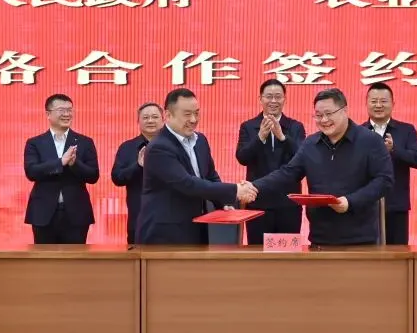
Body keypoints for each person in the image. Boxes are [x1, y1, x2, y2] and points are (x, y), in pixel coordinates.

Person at [253, 88, 393, 246]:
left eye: (329, 113)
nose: (324, 120)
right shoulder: (310, 144)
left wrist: (350, 201)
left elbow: (384, 180)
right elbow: (287, 173)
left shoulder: (370, 141)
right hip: (319, 238)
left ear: (344, 110)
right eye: (318, 115)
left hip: (360, 239)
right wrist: (253, 186)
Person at [136, 88, 256, 245]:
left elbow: (210, 176)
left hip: (196, 228)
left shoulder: (201, 141)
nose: (193, 119)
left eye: (197, 113)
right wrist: (235, 190)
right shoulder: (159, 147)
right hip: (164, 234)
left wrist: (223, 202)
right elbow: (187, 183)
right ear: (168, 115)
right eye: (187, 114)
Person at [235, 79, 307, 244]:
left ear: (284, 99)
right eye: (269, 96)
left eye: (278, 96)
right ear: (260, 99)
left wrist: (282, 137)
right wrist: (260, 137)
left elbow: (303, 158)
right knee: (258, 254)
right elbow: (242, 158)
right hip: (258, 204)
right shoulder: (248, 126)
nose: (273, 101)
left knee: (287, 255)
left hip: (288, 205)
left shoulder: (295, 127)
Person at [23, 93, 100, 244]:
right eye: (61, 110)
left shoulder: (85, 142)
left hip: (76, 213)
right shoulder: (35, 143)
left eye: (70, 110)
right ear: (48, 114)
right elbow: (31, 172)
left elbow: (93, 175)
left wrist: (74, 164)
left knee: (75, 257)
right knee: (44, 257)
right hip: (43, 213)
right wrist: (60, 162)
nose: (67, 114)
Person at [363, 82, 417, 245]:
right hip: (365, 205)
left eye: (383, 101)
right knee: (366, 252)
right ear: (366, 103)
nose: (378, 105)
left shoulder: (406, 130)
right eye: (374, 101)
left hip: (397, 204)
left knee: (397, 253)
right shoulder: (357, 131)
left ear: (393, 103)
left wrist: (394, 149)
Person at [111, 102, 164, 245]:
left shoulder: (175, 146)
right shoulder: (127, 147)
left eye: (155, 117)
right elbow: (117, 178)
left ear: (163, 120)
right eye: (145, 117)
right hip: (139, 218)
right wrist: (138, 166)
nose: (150, 121)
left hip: (171, 219)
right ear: (138, 121)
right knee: (137, 257)